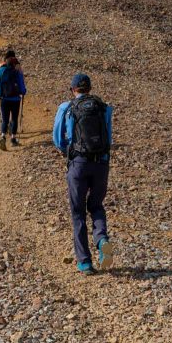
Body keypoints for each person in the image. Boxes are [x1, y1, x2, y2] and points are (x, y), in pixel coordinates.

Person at [53, 73, 114, 275]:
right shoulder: (103, 108)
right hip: (101, 164)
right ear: (89, 88)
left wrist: (68, 152)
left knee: (78, 211)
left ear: (73, 89)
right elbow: (109, 137)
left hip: (78, 163)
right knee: (96, 205)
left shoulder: (67, 107)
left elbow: (58, 139)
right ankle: (101, 239)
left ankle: (85, 261)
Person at [0, 50, 26, 150]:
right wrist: (23, 92)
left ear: (6, 59)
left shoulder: (2, 69)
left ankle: (3, 136)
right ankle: (13, 139)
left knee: (5, 119)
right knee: (14, 119)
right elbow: (22, 85)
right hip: (15, 99)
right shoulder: (17, 70)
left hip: (4, 99)